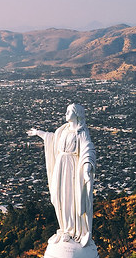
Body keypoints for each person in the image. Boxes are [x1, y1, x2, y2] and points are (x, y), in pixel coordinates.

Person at [27, 103, 95, 246]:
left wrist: (87, 168)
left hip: (72, 169)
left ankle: (71, 230)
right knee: (58, 196)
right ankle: (64, 227)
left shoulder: (81, 132)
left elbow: (88, 149)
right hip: (60, 165)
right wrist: (38, 132)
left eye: (69, 111)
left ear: (76, 114)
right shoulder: (63, 130)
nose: (65, 113)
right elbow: (52, 139)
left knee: (70, 197)